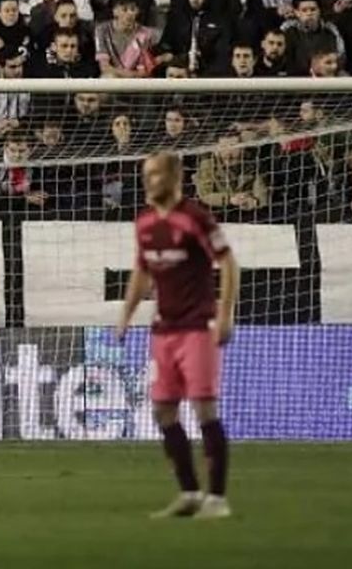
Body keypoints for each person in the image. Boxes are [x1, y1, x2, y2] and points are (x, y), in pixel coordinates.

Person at [116, 152, 239, 520]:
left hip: (198, 326)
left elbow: (228, 262)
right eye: (145, 174)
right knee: (162, 410)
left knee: (204, 407)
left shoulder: (195, 217)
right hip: (163, 330)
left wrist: (225, 312)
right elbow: (142, 271)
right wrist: (126, 315)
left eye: (155, 173)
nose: (148, 180)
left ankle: (217, 498)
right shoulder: (144, 221)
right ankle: (189, 491)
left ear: (174, 176)